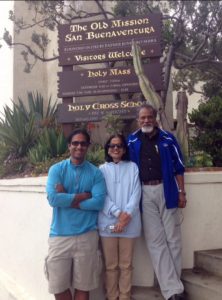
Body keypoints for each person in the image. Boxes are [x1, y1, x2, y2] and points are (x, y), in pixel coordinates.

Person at [127, 104, 187, 300]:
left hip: (167, 190)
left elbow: (179, 168)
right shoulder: (131, 141)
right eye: (142, 118)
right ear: (138, 120)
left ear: (155, 119)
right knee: (156, 242)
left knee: (173, 239)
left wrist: (181, 192)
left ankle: (173, 287)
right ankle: (173, 291)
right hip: (144, 194)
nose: (146, 121)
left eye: (149, 117)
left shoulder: (168, 139)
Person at [45, 129, 106, 300]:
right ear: (69, 146)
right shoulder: (56, 170)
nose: (79, 146)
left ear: (88, 146)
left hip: (87, 235)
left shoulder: (95, 173)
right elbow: (53, 198)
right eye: (75, 143)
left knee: (83, 287)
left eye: (83, 143)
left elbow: (99, 203)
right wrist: (82, 196)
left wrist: (68, 199)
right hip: (59, 236)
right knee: (59, 286)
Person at [98, 134, 141, 300]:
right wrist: (117, 213)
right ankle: (111, 295)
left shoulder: (133, 168)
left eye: (119, 146)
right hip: (108, 226)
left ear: (124, 149)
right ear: (108, 149)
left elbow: (136, 193)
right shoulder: (101, 170)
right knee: (110, 266)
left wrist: (125, 216)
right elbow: (101, 195)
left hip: (129, 224)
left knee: (126, 265)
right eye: (112, 146)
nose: (115, 149)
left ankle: (124, 296)